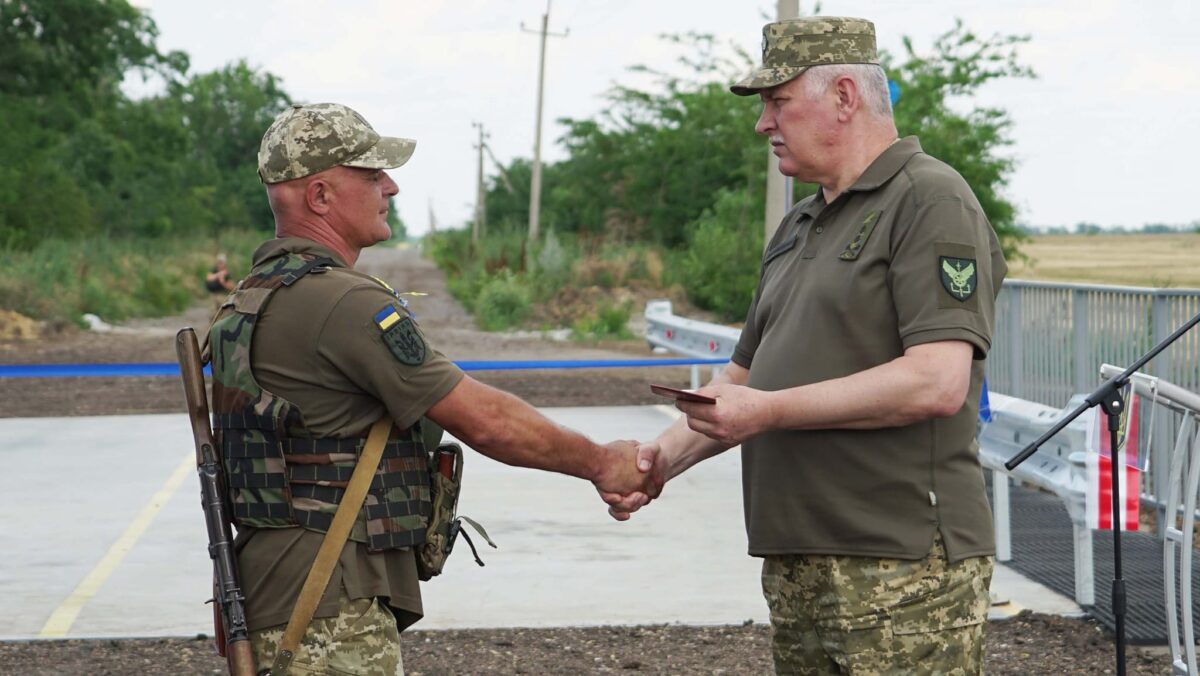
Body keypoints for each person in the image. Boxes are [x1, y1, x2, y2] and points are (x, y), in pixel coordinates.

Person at [606, 16, 1008, 675]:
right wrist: (656, 464)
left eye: (778, 102)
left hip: (902, 564)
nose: (763, 124)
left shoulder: (929, 199)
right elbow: (742, 383)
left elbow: (937, 381)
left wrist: (767, 412)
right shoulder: (800, 223)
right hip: (800, 558)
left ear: (845, 96)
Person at [207, 102, 653, 675]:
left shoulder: (250, 298)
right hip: (329, 606)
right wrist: (602, 462)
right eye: (372, 175)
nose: (390, 187)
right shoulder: (342, 301)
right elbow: (485, 420)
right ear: (319, 196)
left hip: (276, 592)